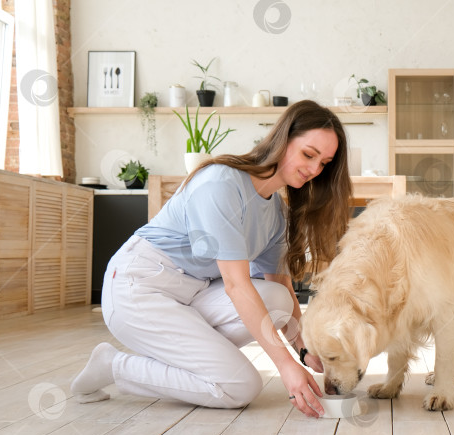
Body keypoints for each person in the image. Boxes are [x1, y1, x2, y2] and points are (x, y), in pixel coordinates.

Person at [71, 100, 353, 418]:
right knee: (240, 386)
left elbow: (281, 288)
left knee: (277, 299)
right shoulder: (221, 184)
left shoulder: (276, 214)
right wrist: (285, 367)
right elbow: (236, 285)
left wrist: (304, 350)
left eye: (325, 163)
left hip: (192, 293)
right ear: (283, 140)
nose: (315, 170)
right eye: (308, 154)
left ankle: (188, 358)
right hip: (138, 288)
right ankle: (113, 365)